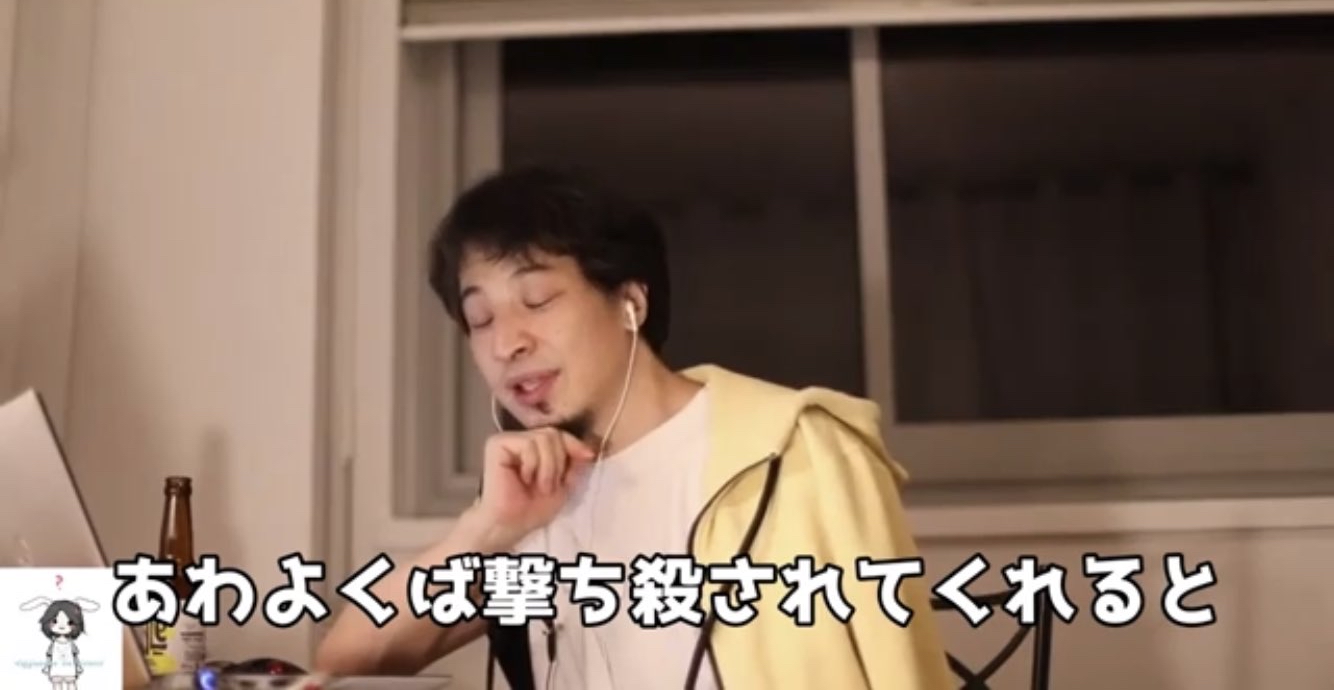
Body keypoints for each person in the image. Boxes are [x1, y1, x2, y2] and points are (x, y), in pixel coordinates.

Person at [315, 166, 953, 690]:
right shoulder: (533, 496)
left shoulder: (793, 451)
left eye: (537, 301)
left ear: (630, 302)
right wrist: (486, 531)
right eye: (480, 320)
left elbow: (901, 670)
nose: (506, 343)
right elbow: (346, 662)